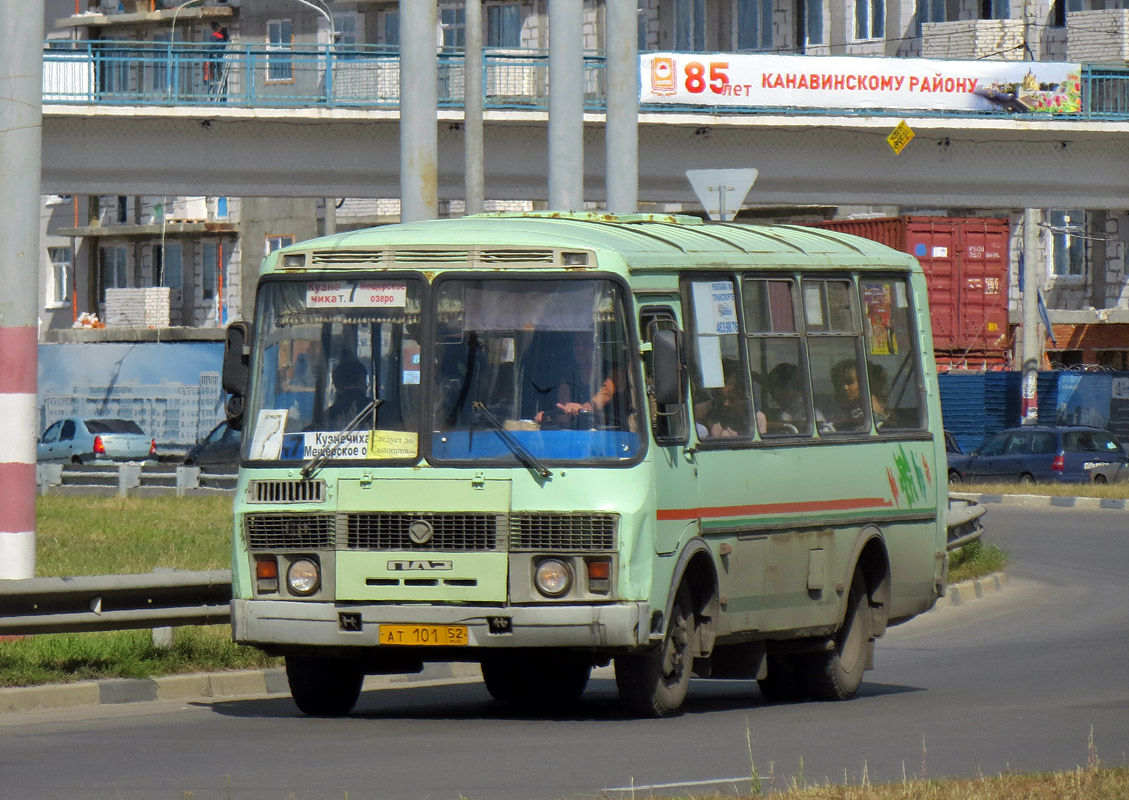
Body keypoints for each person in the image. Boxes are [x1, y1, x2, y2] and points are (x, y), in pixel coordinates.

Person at [535, 335, 623, 426]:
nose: (580, 348)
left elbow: (606, 393)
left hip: (612, 435)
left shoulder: (614, 370)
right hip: (578, 435)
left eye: (586, 343)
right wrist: (548, 417)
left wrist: (582, 408)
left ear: (599, 348)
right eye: (576, 343)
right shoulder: (569, 375)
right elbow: (565, 414)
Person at [764, 362, 826, 434]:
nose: (773, 397)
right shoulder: (789, 411)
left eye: (774, 389)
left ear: (789, 388)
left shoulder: (808, 414)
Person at [830, 359, 889, 430]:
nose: (845, 387)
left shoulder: (862, 416)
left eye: (849, 382)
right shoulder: (883, 409)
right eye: (840, 383)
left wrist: (841, 423)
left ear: (866, 382)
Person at [324, 357, 370, 428]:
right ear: (361, 380)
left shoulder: (325, 417)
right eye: (365, 381)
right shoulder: (380, 411)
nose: (367, 387)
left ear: (337, 387)